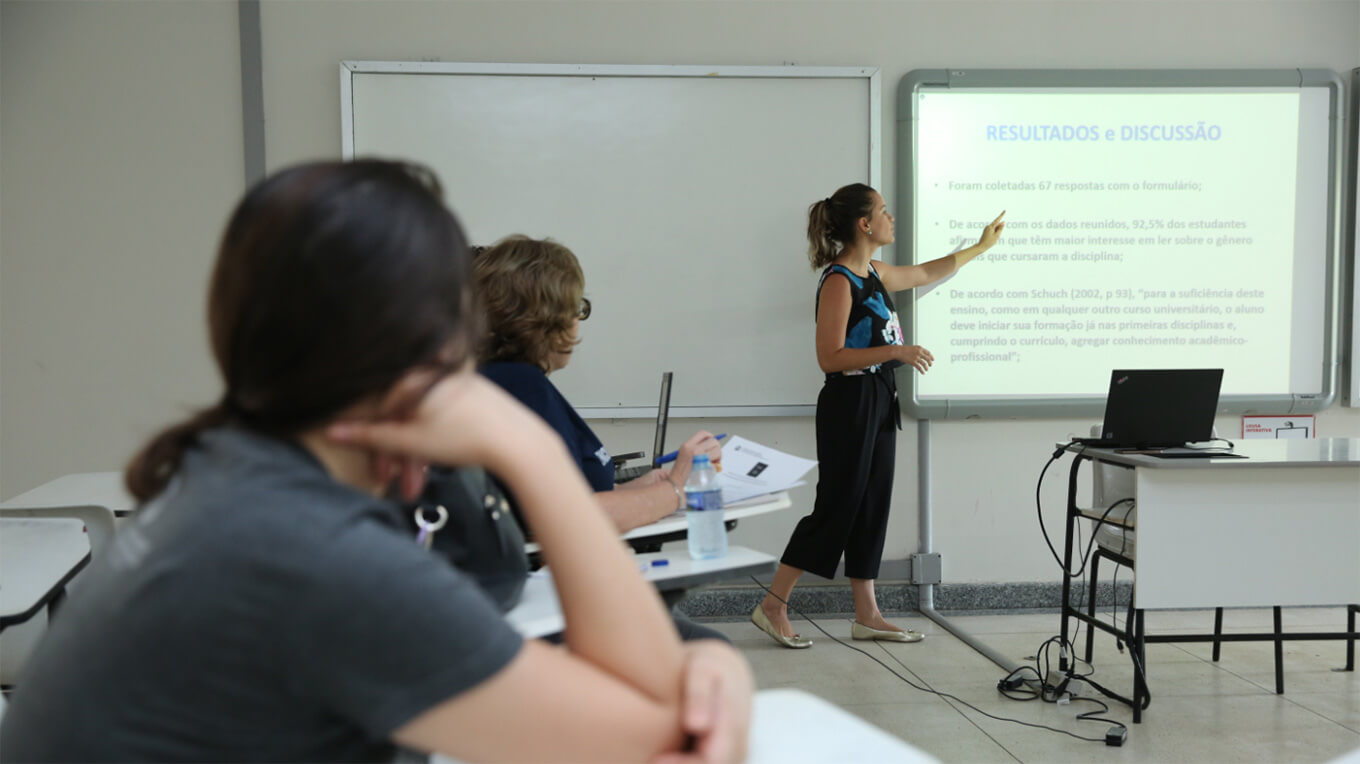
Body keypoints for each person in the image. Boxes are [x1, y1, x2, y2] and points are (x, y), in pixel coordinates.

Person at [0, 160, 752, 763]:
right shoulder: (312, 554)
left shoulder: (236, 478)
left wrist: (706, 666)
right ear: (435, 353)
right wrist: (527, 451)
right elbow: (666, 733)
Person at [751, 183, 1005, 649]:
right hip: (849, 402)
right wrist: (895, 350)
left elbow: (929, 271)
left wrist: (981, 246)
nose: (891, 218)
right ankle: (772, 604)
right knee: (836, 508)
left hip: (878, 397)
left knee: (871, 506)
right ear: (865, 224)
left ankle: (867, 613)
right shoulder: (838, 281)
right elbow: (829, 357)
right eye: (884, 212)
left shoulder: (875, 272)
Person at [473, 235, 724, 534]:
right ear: (547, 316)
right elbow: (576, 516)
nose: (578, 320)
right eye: (575, 308)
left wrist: (646, 487)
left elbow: (570, 496)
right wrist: (675, 487)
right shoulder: (520, 385)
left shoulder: (506, 379)